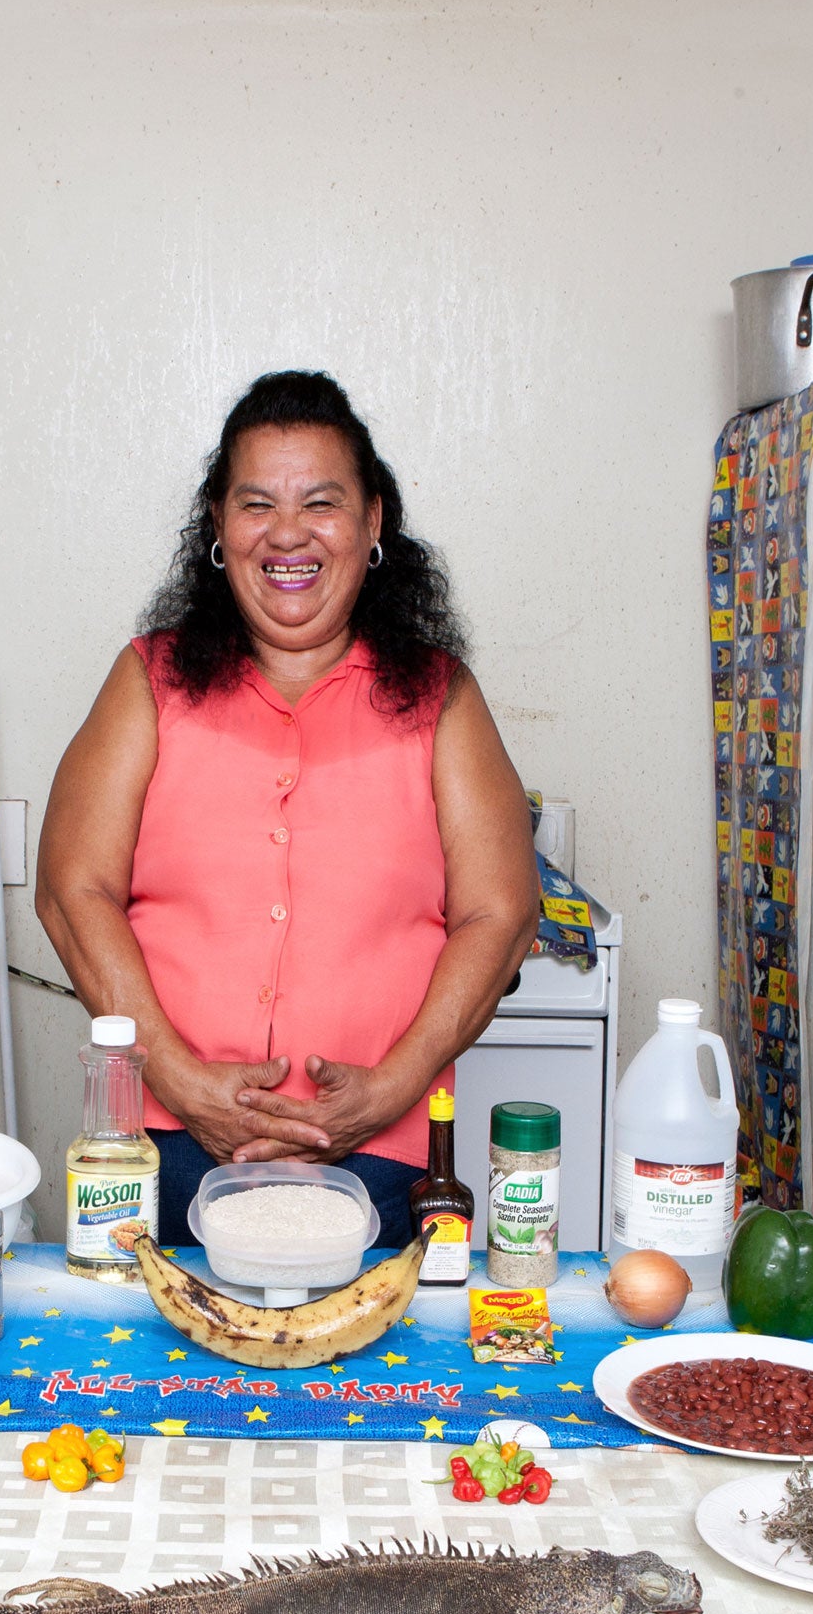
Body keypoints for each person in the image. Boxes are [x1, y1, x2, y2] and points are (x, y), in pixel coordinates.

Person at [36, 370, 540, 1244]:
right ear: (219, 528)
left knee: (378, 1380)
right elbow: (71, 889)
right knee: (166, 1378)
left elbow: (500, 913)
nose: (287, 535)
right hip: (167, 1147)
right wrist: (181, 1080)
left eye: (321, 503)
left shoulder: (439, 696)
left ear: (372, 521)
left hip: (385, 1159)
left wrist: (391, 1087)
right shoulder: (146, 682)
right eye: (256, 504)